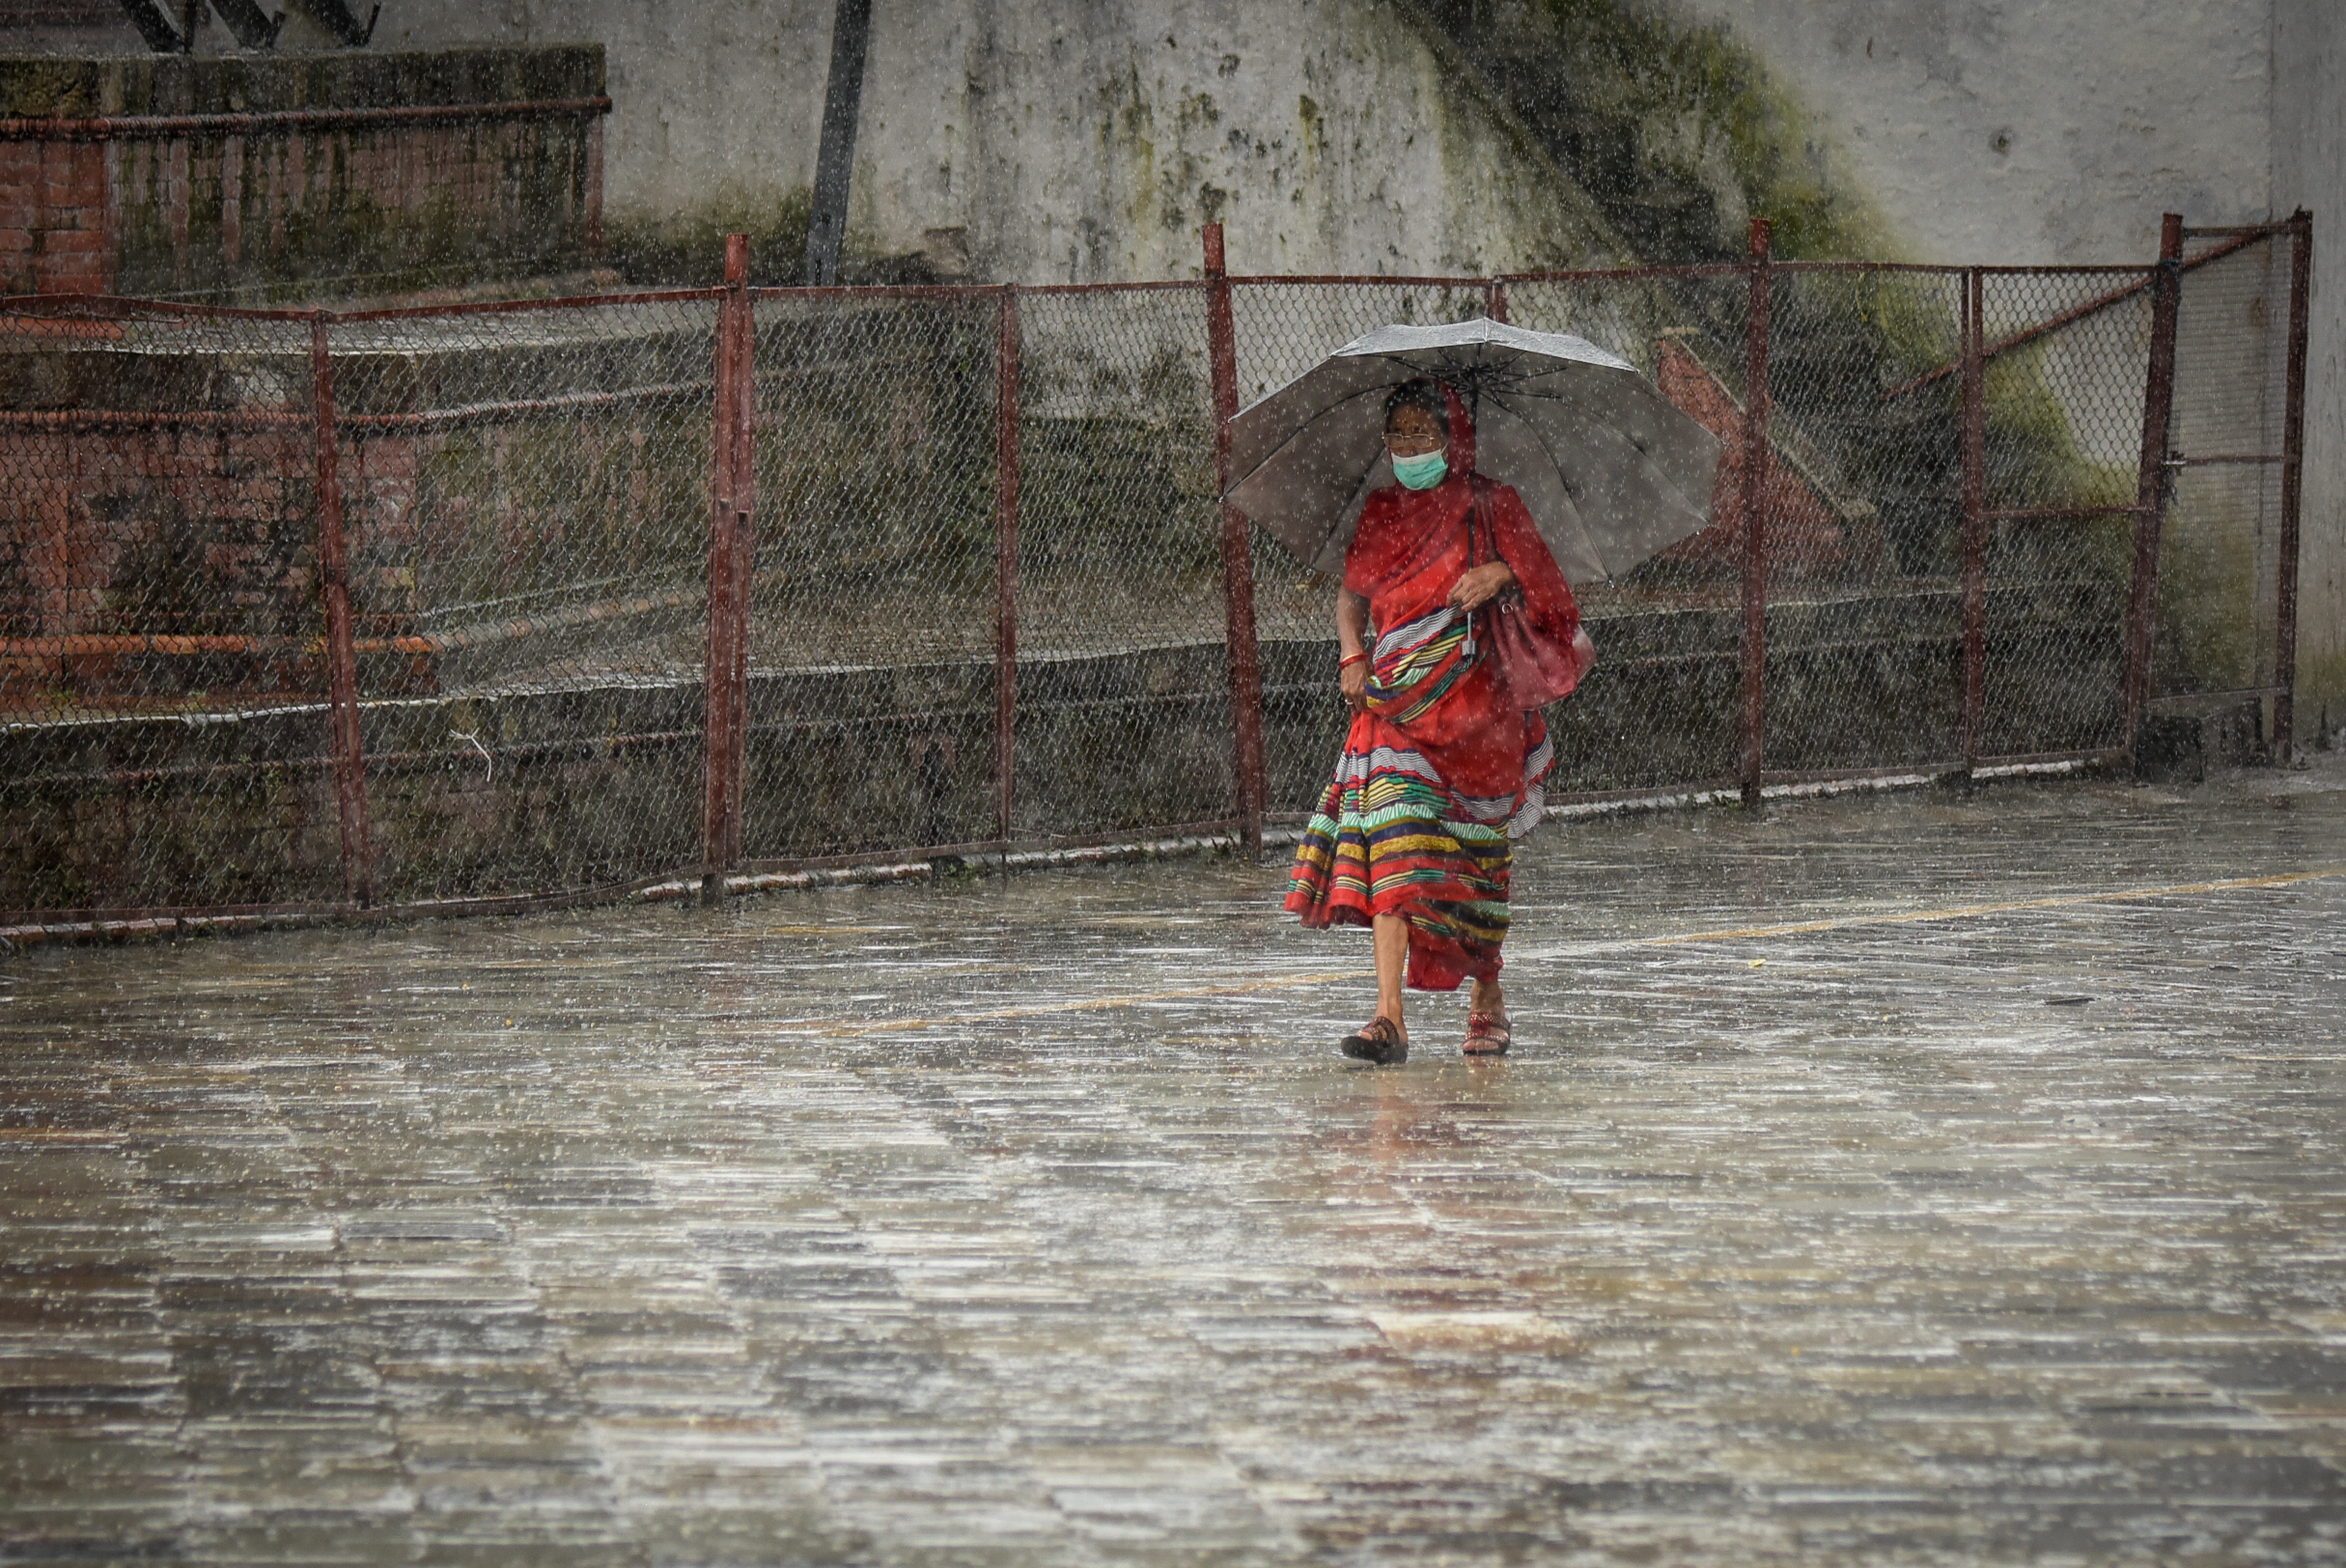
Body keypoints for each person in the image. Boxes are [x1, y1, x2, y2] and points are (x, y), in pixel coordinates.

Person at [1284, 378, 1586, 1064]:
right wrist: (1351, 654)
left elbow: (1554, 596)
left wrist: (1500, 574)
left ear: (1455, 438)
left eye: (1425, 434)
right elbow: (1351, 596)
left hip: (1479, 714)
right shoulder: (1382, 510)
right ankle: (1388, 1016)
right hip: (1392, 704)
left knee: (1473, 866)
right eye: (1400, 437)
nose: (1412, 448)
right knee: (1392, 841)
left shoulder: (1494, 503)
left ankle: (1488, 999)